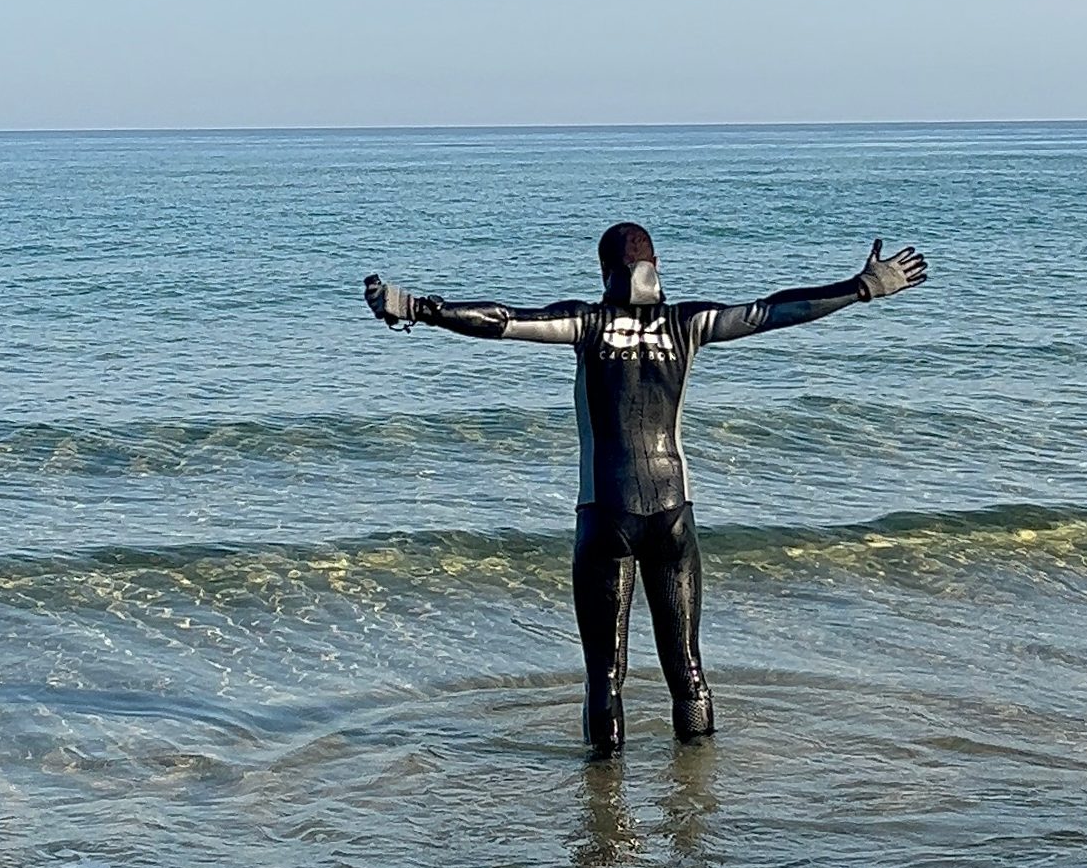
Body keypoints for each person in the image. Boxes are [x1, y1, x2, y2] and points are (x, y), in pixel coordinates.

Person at [363, 223, 928, 757]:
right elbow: (773, 311)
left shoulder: (587, 324)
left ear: (605, 272)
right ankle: (697, 789)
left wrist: (420, 308)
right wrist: (862, 287)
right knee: (687, 670)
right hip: (672, 514)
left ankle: (602, 798)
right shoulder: (689, 323)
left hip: (606, 513)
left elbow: (503, 320)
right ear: (656, 267)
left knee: (605, 676)